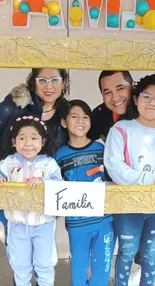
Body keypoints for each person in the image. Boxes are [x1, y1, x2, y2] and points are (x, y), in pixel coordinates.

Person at [0, 68, 69, 285]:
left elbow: (59, 185)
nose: (28, 143)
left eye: (55, 80)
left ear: (42, 142)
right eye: (22, 138)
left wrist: (45, 183)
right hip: (17, 222)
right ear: (13, 142)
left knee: (44, 264)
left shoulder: (48, 164)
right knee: (19, 264)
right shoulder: (9, 162)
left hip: (43, 223)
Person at [88, 70, 141, 286]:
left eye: (120, 88)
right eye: (107, 92)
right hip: (113, 188)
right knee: (120, 239)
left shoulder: (146, 108)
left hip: (146, 187)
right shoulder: (100, 115)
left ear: (133, 85)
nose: (115, 97)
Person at [56, 99, 116, 286]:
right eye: (74, 116)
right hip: (77, 225)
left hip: (105, 222)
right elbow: (55, 188)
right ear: (64, 122)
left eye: (85, 116)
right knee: (78, 275)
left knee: (101, 275)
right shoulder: (59, 155)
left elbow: (114, 179)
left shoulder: (102, 149)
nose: (80, 121)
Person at [104, 74, 155, 286]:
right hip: (127, 204)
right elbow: (115, 167)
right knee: (127, 251)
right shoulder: (120, 130)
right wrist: (150, 180)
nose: (151, 103)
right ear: (135, 99)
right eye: (146, 97)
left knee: (151, 254)